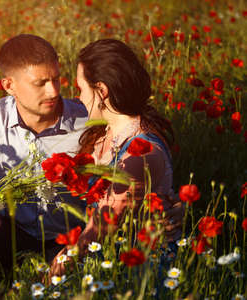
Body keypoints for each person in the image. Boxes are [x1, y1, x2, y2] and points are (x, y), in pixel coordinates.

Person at [0, 34, 88, 275]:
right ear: (9, 86)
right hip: (10, 232)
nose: (53, 91)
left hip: (71, 237)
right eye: (40, 83)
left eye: (56, 79)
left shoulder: (85, 119)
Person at [50, 39, 184, 275]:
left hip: (136, 269)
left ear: (102, 91)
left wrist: (65, 260)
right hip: (103, 254)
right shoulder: (103, 132)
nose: (78, 98)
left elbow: (105, 222)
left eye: (81, 89)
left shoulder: (141, 152)